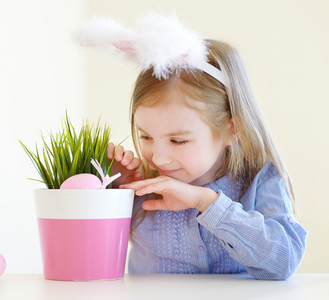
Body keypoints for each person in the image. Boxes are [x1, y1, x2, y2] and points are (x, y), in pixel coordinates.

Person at [77, 12, 307, 280]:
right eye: (146, 137)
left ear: (232, 130)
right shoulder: (143, 187)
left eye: (178, 140)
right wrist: (113, 187)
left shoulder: (260, 180)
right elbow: (91, 252)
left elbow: (284, 260)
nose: (159, 158)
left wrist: (205, 202)